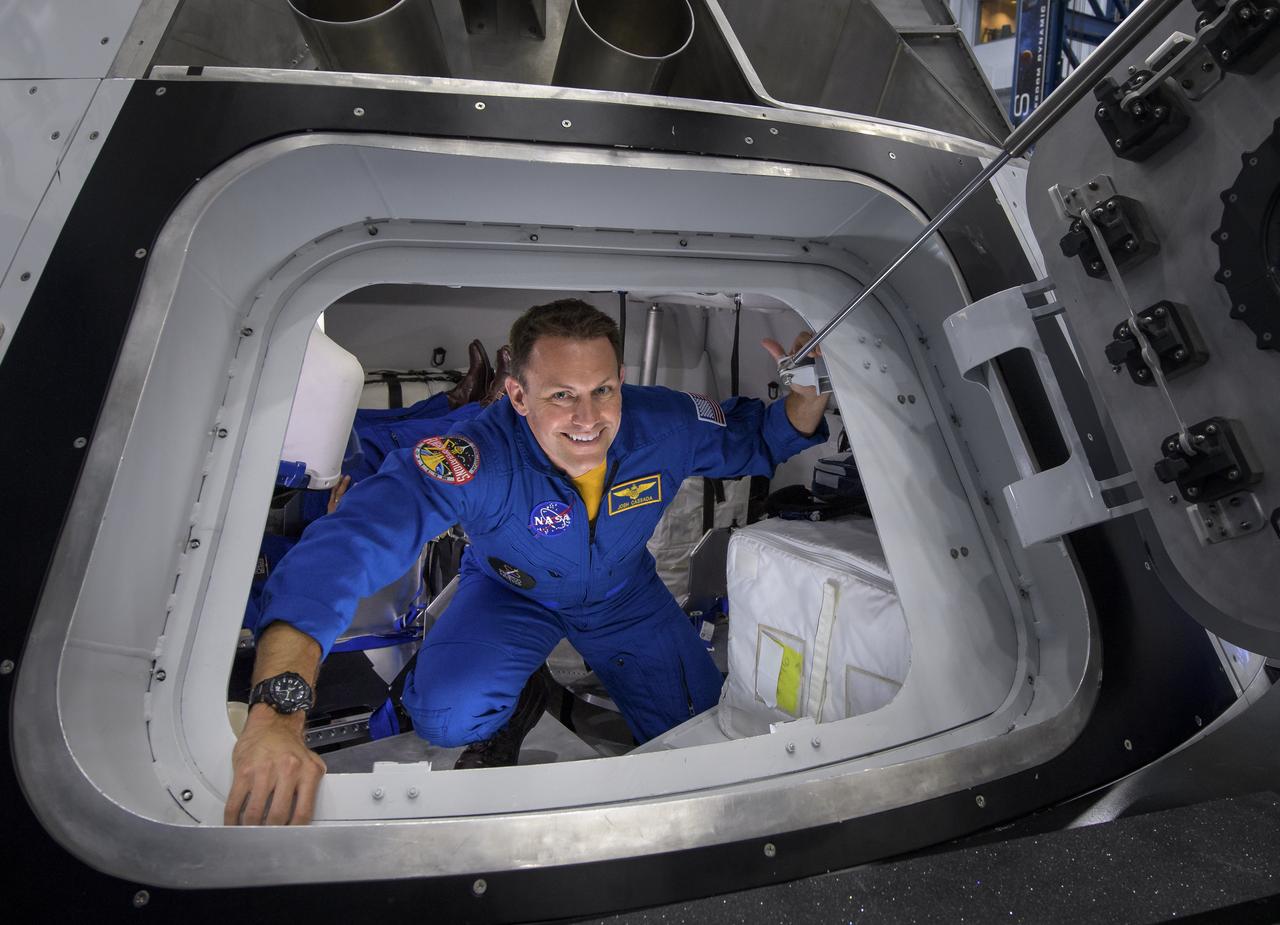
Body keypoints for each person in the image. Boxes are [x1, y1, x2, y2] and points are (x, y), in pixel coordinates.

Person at [225, 298, 828, 825]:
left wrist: (806, 393)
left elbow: (763, 437)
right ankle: (518, 689)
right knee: (446, 717)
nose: (588, 419)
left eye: (602, 391)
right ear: (517, 393)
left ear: (620, 380)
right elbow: (346, 547)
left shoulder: (663, 423)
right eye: (561, 395)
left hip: (624, 596)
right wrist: (278, 714)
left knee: (703, 738)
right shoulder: (470, 455)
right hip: (513, 592)